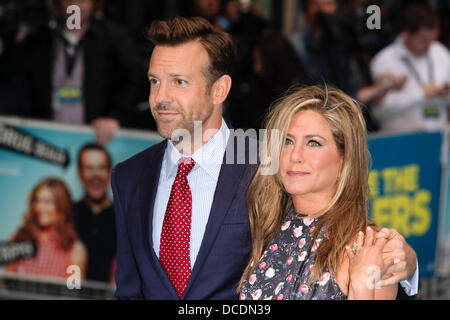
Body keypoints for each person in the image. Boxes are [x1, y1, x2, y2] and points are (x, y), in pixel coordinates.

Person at [112, 17, 419, 300]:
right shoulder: (129, 176)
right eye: (154, 81)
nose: (161, 97)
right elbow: (128, 289)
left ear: (219, 89)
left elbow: (342, 227)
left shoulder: (270, 159)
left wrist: (405, 264)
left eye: (179, 81)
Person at [239, 85, 404, 300]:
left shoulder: (366, 248)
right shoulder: (267, 229)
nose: (295, 155)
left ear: (343, 161)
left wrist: (362, 285)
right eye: (287, 141)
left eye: (313, 143)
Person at [0, 0, 141, 145]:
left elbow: (133, 82)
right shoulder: (37, 42)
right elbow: (15, 90)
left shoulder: (114, 39)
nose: (75, 4)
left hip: (100, 141)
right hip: (45, 141)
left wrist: (115, 117)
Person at [370, 3, 450, 133]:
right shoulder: (384, 60)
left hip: (439, 134)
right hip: (400, 139)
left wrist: (445, 92)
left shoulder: (440, 52)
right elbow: (379, 111)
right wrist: (421, 93)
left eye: (432, 39)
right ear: (407, 33)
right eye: (423, 40)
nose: (428, 46)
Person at [5, 178, 87, 280]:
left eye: (47, 202)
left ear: (62, 206)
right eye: (37, 201)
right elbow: (6, 285)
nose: (40, 207)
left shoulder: (75, 250)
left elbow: (74, 292)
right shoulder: (17, 240)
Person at [73, 143, 116, 283]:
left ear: (110, 173)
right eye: (89, 168)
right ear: (79, 173)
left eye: (101, 168)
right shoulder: (67, 214)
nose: (96, 175)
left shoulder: (125, 219)